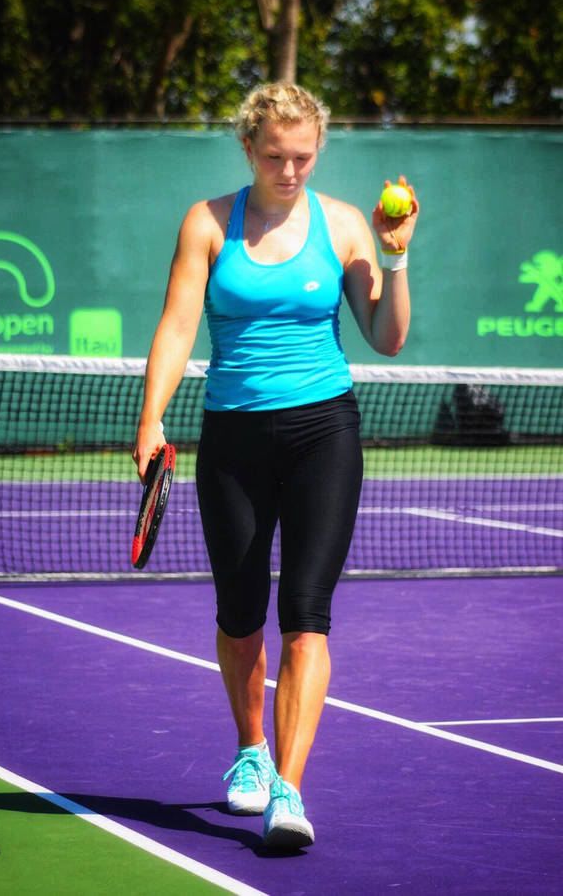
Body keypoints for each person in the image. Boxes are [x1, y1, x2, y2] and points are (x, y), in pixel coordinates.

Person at [133, 82, 419, 849]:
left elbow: (387, 338)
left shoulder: (347, 225)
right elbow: (177, 324)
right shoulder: (207, 224)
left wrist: (395, 260)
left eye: (302, 157)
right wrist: (152, 418)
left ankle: (287, 790)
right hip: (232, 439)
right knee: (239, 616)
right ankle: (250, 752)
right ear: (248, 148)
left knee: (306, 616)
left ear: (317, 150)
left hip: (325, 431)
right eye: (274, 157)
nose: (289, 171)